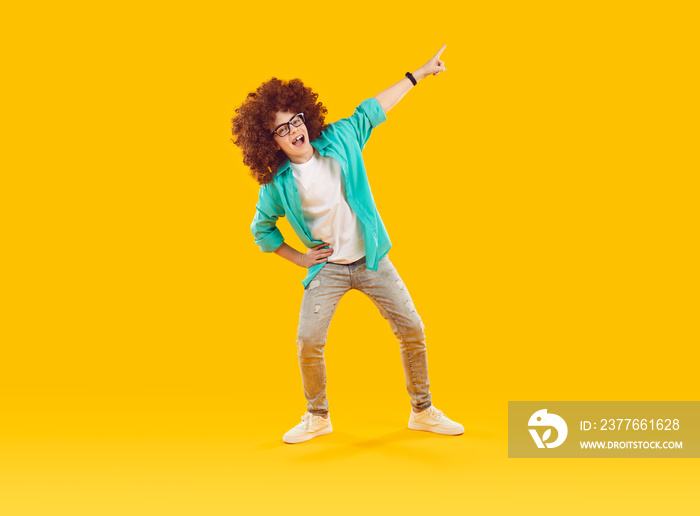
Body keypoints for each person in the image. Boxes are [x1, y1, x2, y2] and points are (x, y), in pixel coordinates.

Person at [232, 45, 463, 444]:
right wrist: (301, 258)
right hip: (329, 269)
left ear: (306, 117)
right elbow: (261, 230)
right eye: (281, 129)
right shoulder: (277, 185)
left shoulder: (341, 138)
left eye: (295, 121)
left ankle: (423, 411)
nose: (293, 131)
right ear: (271, 141)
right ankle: (317, 416)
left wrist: (419, 74)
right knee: (308, 340)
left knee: (412, 328)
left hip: (372, 259)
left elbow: (373, 109)